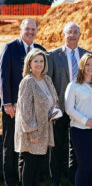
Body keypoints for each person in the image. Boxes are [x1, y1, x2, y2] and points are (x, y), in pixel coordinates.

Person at [0, 18, 45, 186]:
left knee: (29, 147)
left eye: (33, 29)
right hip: (14, 108)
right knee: (10, 146)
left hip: (34, 111)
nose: (30, 32)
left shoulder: (40, 50)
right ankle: (10, 182)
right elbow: (3, 77)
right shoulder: (10, 47)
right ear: (21, 29)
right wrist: (7, 103)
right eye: (27, 29)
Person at [47, 22, 91, 186]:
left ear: (80, 35)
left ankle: (75, 180)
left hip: (81, 110)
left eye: (75, 32)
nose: (72, 35)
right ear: (63, 35)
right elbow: (49, 83)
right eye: (69, 32)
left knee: (76, 147)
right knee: (57, 146)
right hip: (59, 109)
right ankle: (55, 181)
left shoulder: (88, 55)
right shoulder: (51, 55)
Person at [14, 49, 59, 186]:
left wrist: (55, 112)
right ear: (29, 63)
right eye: (36, 61)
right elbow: (25, 110)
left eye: (41, 61)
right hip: (31, 132)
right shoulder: (27, 82)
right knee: (30, 166)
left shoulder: (47, 79)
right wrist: (32, 132)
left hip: (44, 130)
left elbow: (55, 99)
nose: (39, 64)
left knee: (38, 167)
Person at [65, 53, 92, 186]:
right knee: (84, 164)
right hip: (80, 130)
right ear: (82, 66)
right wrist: (86, 121)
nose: (90, 67)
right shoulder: (74, 85)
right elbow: (69, 109)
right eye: (87, 64)